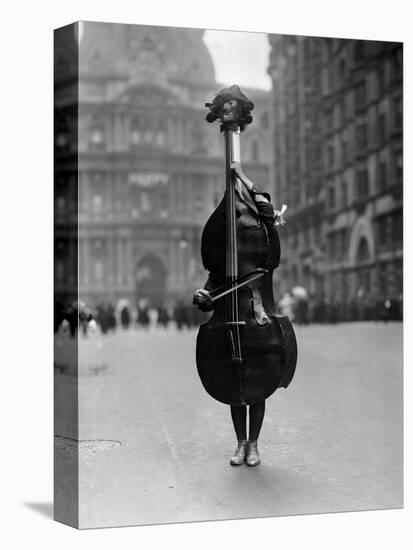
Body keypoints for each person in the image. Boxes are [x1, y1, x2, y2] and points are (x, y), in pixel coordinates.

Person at [193, 150, 286, 467]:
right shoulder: (225, 232)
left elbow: (270, 261)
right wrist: (205, 293)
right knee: (233, 385)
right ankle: (240, 443)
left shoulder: (260, 229)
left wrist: (267, 219)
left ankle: (255, 444)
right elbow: (214, 276)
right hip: (227, 318)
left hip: (255, 312)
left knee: (258, 385)